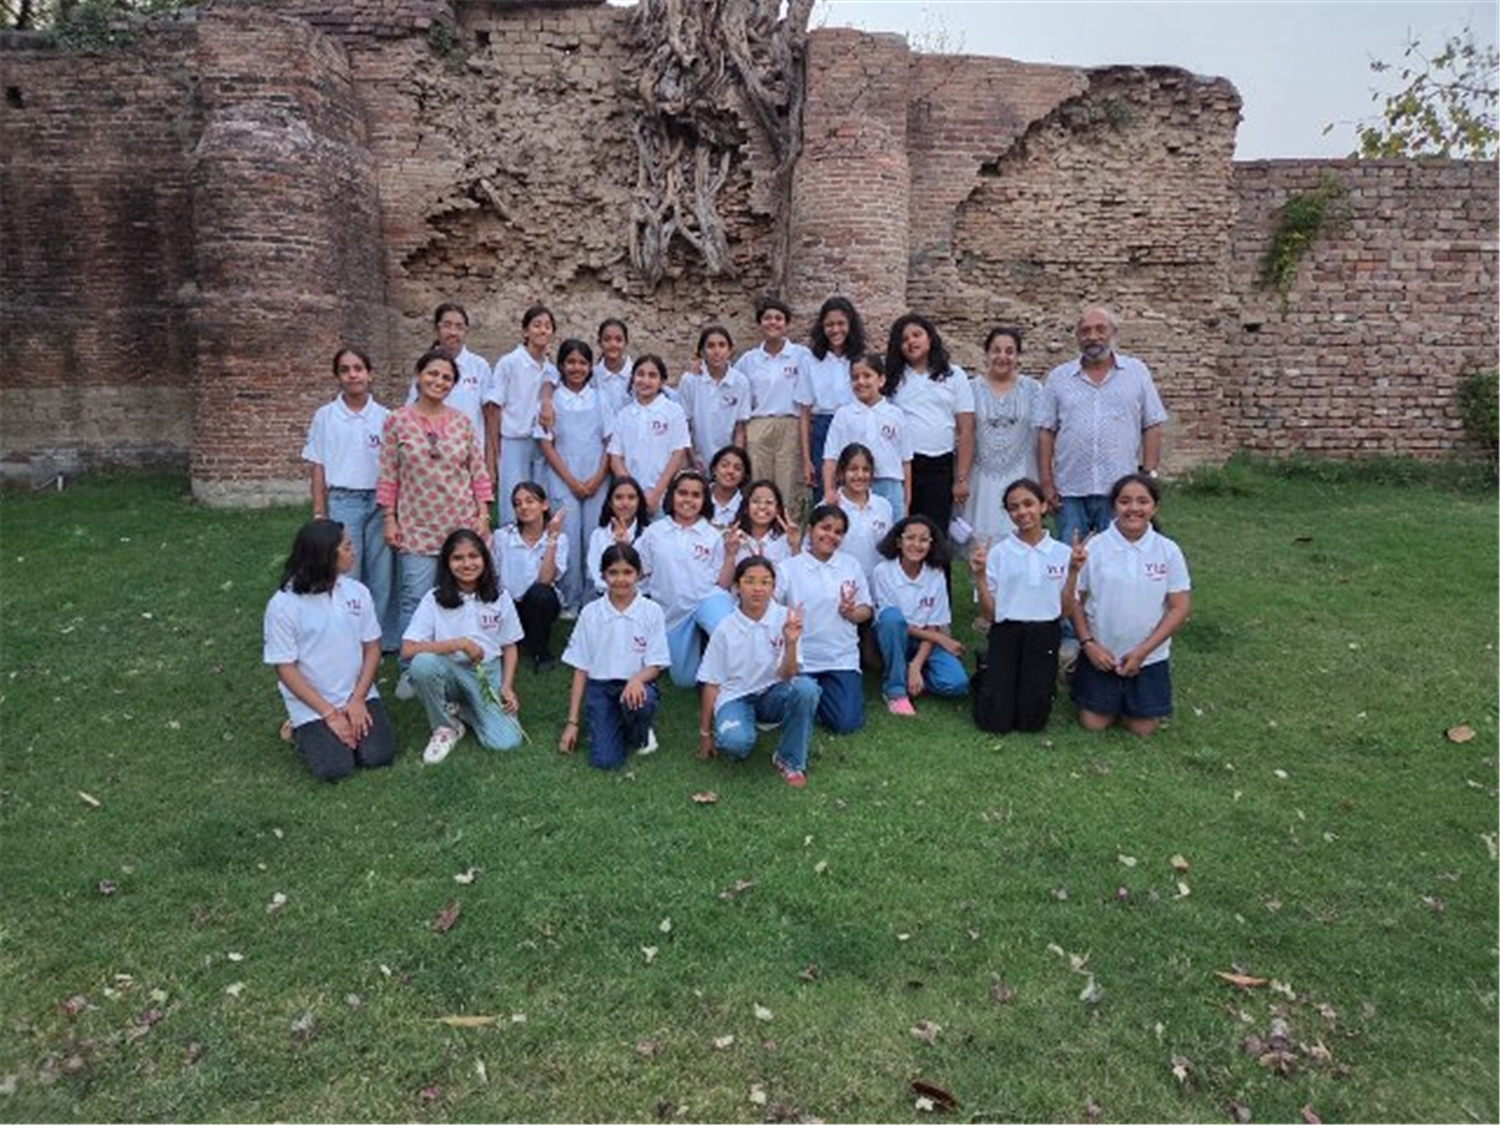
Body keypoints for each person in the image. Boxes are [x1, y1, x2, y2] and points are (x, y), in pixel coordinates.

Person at [1036, 304, 1168, 657]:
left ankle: (1116, 628)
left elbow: (1153, 424)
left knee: (1119, 561)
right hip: (1071, 489)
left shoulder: (1136, 373)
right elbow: (1046, 432)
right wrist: (1046, 482)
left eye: (1100, 329)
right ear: (1077, 337)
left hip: (1121, 493)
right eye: (1085, 331)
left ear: (1113, 333)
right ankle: (1071, 636)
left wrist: (1148, 476)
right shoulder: (1059, 378)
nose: (1092, 336)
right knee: (1070, 562)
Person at [377, 346, 492, 689]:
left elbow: (478, 471)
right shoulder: (396, 420)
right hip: (417, 525)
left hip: (460, 524)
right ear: (418, 375)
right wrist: (389, 518)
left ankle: (462, 663)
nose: (439, 381)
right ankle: (411, 670)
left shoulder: (462, 422)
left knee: (462, 597)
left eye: (447, 377)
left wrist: (483, 514)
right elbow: (388, 474)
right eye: (433, 374)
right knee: (415, 597)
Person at [263, 520, 395, 782]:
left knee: (378, 756)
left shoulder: (357, 591)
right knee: (335, 768)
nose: (353, 552)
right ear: (325, 555)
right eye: (346, 547)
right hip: (313, 702)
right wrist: (329, 714)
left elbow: (372, 648)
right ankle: (299, 730)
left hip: (357, 693)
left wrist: (358, 699)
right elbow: (285, 668)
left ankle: (339, 727)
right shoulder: (283, 605)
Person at [1069, 473, 1191, 738]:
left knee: (1142, 728)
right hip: (1102, 654)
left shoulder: (1168, 550)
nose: (1133, 508)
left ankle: (1131, 700)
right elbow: (1073, 597)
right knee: (1093, 723)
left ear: (1154, 507)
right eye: (1125, 501)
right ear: (1114, 506)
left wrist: (1143, 652)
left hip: (1148, 657)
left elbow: (1179, 607)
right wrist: (1088, 644)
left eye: (1142, 501)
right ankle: (1088, 680)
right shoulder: (1095, 546)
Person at [969, 478, 1088, 734]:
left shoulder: (1062, 553)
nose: (1022, 512)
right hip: (1006, 631)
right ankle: (986, 676)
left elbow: (1064, 612)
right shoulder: (999, 553)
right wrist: (979, 576)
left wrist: (1073, 572)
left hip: (1045, 632)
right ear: (1008, 513)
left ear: (1043, 506)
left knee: (1031, 722)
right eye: (1014, 507)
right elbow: (989, 614)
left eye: (1028, 504)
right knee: (996, 722)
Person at [400, 529, 524, 764]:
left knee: (506, 742)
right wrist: (460, 643)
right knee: (422, 664)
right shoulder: (434, 598)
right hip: (448, 669)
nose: (467, 564)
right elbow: (408, 649)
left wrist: (507, 687)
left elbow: (510, 646)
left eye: (473, 556)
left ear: (485, 559)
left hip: (485, 672)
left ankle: (466, 709)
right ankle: (446, 727)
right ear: (447, 563)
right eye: (458, 558)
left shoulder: (500, 596)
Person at [302, 346, 397, 650]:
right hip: (344, 501)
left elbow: (395, 467)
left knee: (381, 575)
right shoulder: (326, 417)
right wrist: (319, 512)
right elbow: (318, 466)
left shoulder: (386, 417)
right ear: (337, 376)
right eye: (345, 370)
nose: (352, 375)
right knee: (348, 571)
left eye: (358, 368)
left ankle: (378, 639)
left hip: (380, 501)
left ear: (369, 374)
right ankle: (349, 637)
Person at [697, 556, 821, 788]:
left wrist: (791, 643)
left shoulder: (785, 618)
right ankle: (740, 726)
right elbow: (711, 683)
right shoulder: (725, 628)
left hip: (773, 692)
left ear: (773, 587)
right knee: (736, 745)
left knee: (806, 688)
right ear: (737, 587)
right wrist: (705, 733)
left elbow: (788, 674)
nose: (757, 588)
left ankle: (789, 760)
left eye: (765, 582)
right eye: (749, 581)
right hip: (736, 696)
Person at [559, 543, 670, 769]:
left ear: (638, 574)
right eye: (613, 572)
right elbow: (580, 668)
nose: (621, 579)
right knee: (605, 761)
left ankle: (640, 730)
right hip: (600, 688)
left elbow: (656, 664)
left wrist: (636, 679)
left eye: (628, 572)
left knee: (641, 700)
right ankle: (610, 721)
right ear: (602, 575)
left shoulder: (652, 611)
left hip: (636, 685)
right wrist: (572, 723)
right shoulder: (590, 613)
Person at [774, 504, 872, 734]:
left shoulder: (850, 565)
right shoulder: (788, 568)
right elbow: (771, 609)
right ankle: (809, 697)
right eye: (825, 528)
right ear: (810, 530)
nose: (831, 536)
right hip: (802, 659)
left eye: (838, 532)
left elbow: (866, 609)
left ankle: (818, 701)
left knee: (846, 724)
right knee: (793, 701)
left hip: (841, 658)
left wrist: (851, 613)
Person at [636, 470, 736, 687]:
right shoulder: (654, 532)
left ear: (704, 500)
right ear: (672, 495)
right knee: (684, 681)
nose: (688, 500)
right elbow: (640, 571)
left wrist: (730, 555)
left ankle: (732, 673)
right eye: (682, 493)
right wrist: (621, 547)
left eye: (695, 495)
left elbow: (723, 584)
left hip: (707, 599)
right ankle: (701, 652)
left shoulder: (712, 534)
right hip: (673, 613)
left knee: (725, 628)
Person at [883, 313, 975, 540]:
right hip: (904, 466)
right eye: (904, 339)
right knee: (904, 531)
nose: (911, 342)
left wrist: (961, 478)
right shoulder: (893, 378)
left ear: (930, 338)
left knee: (935, 534)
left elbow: (966, 429)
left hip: (940, 466)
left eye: (917, 335)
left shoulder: (954, 375)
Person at [537, 338, 610, 617]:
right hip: (562, 474)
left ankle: (593, 597)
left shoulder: (600, 398)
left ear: (590, 366)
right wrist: (570, 480)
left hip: (595, 475)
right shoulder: (551, 401)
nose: (576, 368)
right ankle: (569, 599)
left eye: (582, 362)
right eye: (570, 362)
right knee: (566, 536)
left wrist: (598, 477)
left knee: (594, 536)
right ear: (561, 365)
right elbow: (546, 443)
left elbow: (610, 440)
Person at [871, 515, 970, 716]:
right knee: (892, 618)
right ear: (899, 542)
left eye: (924, 539)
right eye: (910, 538)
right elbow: (893, 623)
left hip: (925, 641)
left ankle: (910, 672)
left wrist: (916, 665)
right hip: (893, 637)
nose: (916, 545)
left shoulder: (936, 574)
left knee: (957, 684)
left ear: (931, 545)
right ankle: (895, 690)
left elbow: (933, 624)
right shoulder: (883, 572)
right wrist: (940, 638)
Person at [965, 327, 1042, 549]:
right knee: (982, 545)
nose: (1002, 356)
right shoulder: (970, 389)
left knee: (1021, 535)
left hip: (1021, 470)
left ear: (1018, 356)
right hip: (982, 477)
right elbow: (964, 433)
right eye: (996, 350)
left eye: (1009, 351)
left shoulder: (1034, 390)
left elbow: (1043, 433)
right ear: (987, 354)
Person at [736, 298, 812, 512]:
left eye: (779, 318)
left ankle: (789, 528)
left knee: (789, 487)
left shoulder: (801, 355)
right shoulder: (748, 360)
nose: (773, 322)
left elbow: (807, 400)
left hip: (790, 425)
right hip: (758, 425)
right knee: (759, 487)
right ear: (760, 324)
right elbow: (731, 384)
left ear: (786, 324)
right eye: (767, 318)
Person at [488, 304, 559, 521]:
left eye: (547, 326)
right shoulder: (509, 363)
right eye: (537, 325)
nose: (542, 330)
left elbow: (549, 389)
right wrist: (495, 450)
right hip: (514, 440)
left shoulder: (550, 368)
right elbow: (494, 407)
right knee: (514, 501)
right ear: (525, 331)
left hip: (541, 443)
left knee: (538, 499)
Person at [822, 351, 911, 518]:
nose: (860, 382)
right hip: (852, 486)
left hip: (889, 487)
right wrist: (829, 490)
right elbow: (831, 457)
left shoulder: (896, 415)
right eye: (855, 377)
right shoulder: (843, 415)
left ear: (881, 380)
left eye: (867, 376)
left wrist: (906, 501)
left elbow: (906, 461)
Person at [407, 303, 493, 472]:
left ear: (466, 331)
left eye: (459, 327)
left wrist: (490, 463)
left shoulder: (479, 366)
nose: (453, 332)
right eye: (447, 325)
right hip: (429, 460)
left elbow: (489, 417)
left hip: (469, 458)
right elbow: (412, 411)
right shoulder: (425, 366)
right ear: (436, 329)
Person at [492, 481, 567, 672]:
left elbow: (545, 581)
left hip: (537, 604)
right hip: (508, 605)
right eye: (517, 504)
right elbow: (493, 576)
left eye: (530, 501)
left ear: (544, 505)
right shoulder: (503, 536)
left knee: (542, 594)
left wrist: (551, 539)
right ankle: (513, 639)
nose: (523, 507)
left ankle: (540, 651)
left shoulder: (559, 539)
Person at [607, 355, 691, 516]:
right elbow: (615, 457)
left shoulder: (674, 411)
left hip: (663, 496)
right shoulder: (624, 415)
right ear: (632, 378)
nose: (645, 380)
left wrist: (656, 494)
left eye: (652, 375)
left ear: (662, 381)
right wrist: (632, 493)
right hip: (630, 501)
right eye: (640, 374)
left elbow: (678, 454)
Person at [800, 297, 864, 506]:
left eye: (841, 323)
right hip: (823, 428)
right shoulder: (811, 361)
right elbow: (804, 412)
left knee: (856, 487)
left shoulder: (860, 359)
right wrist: (806, 459)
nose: (835, 329)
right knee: (825, 494)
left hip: (856, 426)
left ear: (850, 325)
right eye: (829, 324)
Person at [679, 325, 750, 473]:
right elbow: (684, 425)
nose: (717, 351)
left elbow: (739, 429)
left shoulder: (740, 382)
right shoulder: (690, 380)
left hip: (727, 462)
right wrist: (693, 459)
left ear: (730, 350)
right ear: (702, 352)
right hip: (697, 460)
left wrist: (734, 462)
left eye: (722, 345)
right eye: (710, 346)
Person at [831, 443, 893, 578]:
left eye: (866, 470)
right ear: (841, 472)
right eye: (853, 469)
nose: (860, 475)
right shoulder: (830, 507)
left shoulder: (884, 506)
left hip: (877, 584)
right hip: (841, 585)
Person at [585, 476, 649, 599]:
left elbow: (646, 577)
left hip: (640, 598)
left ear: (639, 502)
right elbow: (595, 574)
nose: (625, 503)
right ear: (610, 502)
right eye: (619, 497)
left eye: (631, 497)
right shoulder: (598, 535)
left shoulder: (649, 535)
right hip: (605, 597)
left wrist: (626, 547)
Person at [725, 479, 800, 567]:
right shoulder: (733, 538)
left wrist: (795, 546)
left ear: (778, 509)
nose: (762, 507)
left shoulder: (786, 540)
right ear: (746, 507)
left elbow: (798, 574)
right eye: (756, 501)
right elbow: (723, 576)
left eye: (769, 502)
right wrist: (730, 554)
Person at [593, 317, 634, 415]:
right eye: (607, 340)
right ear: (599, 343)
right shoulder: (592, 376)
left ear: (626, 343)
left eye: (618, 340)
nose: (613, 344)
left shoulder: (637, 374)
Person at [706, 445, 750, 528]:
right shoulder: (698, 496)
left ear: (744, 476)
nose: (730, 471)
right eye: (724, 465)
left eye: (737, 468)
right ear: (714, 469)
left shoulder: (748, 507)